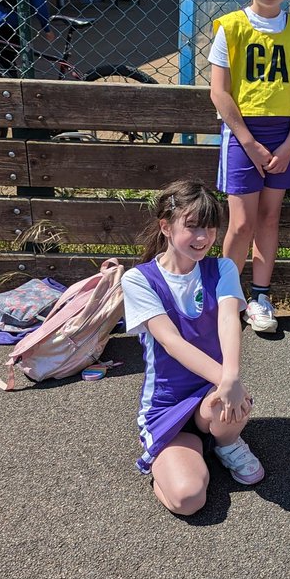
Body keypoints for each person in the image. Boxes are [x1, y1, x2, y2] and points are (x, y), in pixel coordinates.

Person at [120, 179, 264, 515]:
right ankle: (172, 461)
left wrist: (229, 379)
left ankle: (226, 443)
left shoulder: (222, 268)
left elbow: (230, 320)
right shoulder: (139, 279)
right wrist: (228, 380)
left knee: (226, 402)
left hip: (210, 394)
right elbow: (171, 342)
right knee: (189, 499)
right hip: (166, 405)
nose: (203, 238)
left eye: (210, 228)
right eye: (193, 227)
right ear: (165, 227)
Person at [209, 0, 290, 335]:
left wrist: (289, 145)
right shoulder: (231, 26)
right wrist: (249, 143)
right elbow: (219, 93)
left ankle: (260, 296)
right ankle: (227, 298)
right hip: (242, 136)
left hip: (282, 136)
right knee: (241, 223)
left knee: (270, 218)